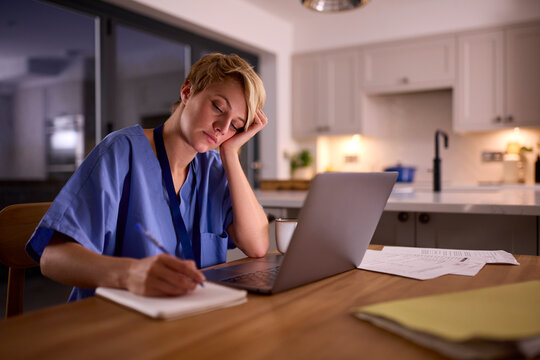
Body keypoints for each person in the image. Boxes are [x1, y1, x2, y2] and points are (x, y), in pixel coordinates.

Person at [26, 53, 269, 301]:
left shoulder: (215, 168)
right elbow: (53, 258)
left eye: (236, 125)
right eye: (218, 107)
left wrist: (230, 153)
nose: (223, 127)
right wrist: (130, 275)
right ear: (187, 91)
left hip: (186, 318)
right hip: (113, 321)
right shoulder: (121, 152)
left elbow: (257, 245)